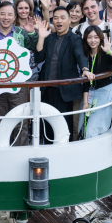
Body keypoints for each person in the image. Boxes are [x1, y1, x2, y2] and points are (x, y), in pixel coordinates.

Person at [0, 2, 38, 146]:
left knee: (21, 122)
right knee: (1, 122)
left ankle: (20, 153)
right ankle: (2, 152)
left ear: (15, 17)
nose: (6, 17)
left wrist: (32, 32)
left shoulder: (21, 33)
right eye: (3, 14)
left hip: (19, 86)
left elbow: (34, 48)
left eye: (10, 14)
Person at [34, 8, 94, 137]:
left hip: (64, 90)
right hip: (46, 89)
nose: (58, 21)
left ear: (69, 20)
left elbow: (80, 56)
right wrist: (41, 37)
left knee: (63, 125)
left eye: (62, 17)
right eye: (55, 18)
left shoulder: (75, 39)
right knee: (46, 125)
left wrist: (85, 69)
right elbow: (39, 58)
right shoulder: (49, 38)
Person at [78, 27, 112, 139]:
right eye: (90, 37)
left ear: (100, 39)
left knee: (93, 128)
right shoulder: (85, 56)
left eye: (96, 37)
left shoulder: (105, 55)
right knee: (81, 125)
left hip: (105, 91)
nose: (93, 40)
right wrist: (85, 102)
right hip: (91, 93)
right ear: (85, 39)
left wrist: (109, 51)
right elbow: (86, 82)